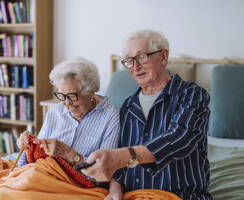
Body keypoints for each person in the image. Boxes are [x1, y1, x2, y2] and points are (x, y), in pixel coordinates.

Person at [82, 30, 212, 200]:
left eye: (142, 57)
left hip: (179, 195)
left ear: (163, 57)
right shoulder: (128, 106)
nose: (135, 67)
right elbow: (121, 167)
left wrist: (120, 156)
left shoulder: (192, 95)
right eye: (129, 61)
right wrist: (115, 189)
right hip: (134, 196)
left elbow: (180, 139)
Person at [17, 57, 122, 199]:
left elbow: (104, 173)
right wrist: (26, 146)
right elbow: (32, 159)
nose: (66, 104)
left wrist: (69, 154)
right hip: (42, 175)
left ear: (91, 93)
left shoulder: (111, 118)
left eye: (72, 96)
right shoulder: (55, 112)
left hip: (76, 186)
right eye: (61, 96)